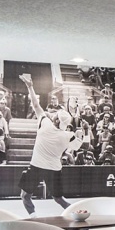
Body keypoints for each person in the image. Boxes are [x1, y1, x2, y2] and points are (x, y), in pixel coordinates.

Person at [17, 73, 77, 216]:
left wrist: (30, 86)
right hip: (54, 170)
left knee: (25, 196)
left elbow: (35, 104)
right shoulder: (68, 136)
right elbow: (79, 146)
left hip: (36, 166)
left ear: (56, 120)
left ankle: (33, 217)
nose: (54, 114)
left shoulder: (44, 123)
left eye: (56, 115)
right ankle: (77, 214)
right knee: (59, 199)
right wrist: (83, 132)